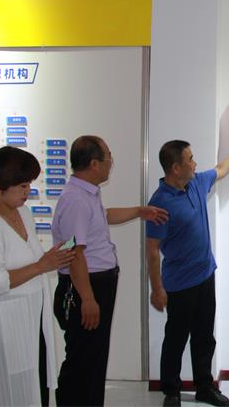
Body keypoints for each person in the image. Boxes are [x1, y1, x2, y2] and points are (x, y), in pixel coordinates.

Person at [51, 135, 168, 406]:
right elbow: (74, 253)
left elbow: (103, 216)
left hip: (95, 284)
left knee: (93, 358)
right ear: (94, 164)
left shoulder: (86, 194)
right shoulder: (76, 200)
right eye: (108, 158)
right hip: (85, 287)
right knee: (83, 359)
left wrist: (139, 211)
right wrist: (88, 298)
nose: (111, 163)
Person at [146, 137, 229, 407]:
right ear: (175, 168)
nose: (195, 163)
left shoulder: (197, 183)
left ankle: (204, 387)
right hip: (179, 284)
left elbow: (223, 168)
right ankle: (171, 391)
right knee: (176, 338)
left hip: (205, 276)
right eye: (190, 159)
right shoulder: (159, 203)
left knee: (204, 336)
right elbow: (152, 251)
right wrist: (157, 289)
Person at [0, 146, 76, 406]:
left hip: (33, 321)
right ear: (0, 186)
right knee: (10, 393)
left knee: (36, 387)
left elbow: (32, 260)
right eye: (22, 186)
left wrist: (50, 258)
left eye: (29, 185)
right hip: (5, 325)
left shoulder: (24, 213)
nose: (28, 191)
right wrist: (41, 266)